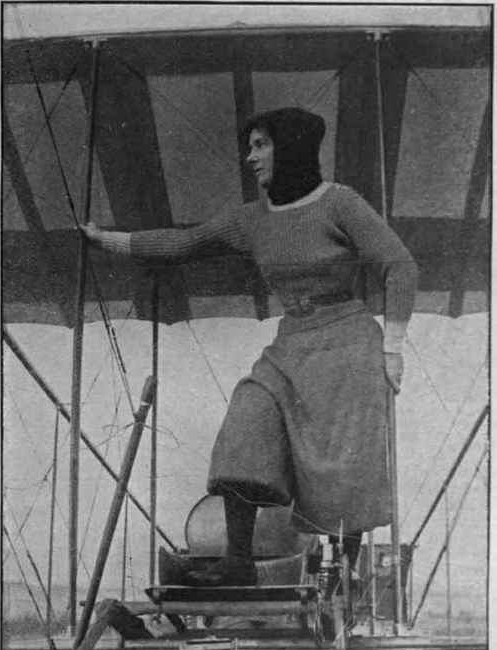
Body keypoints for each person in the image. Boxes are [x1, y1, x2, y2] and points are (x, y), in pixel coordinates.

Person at [81, 107, 417, 587]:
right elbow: (183, 244)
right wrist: (105, 240)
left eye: (260, 145)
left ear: (291, 146)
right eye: (250, 146)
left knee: (344, 464)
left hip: (348, 343)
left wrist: (394, 347)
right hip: (292, 343)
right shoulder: (251, 220)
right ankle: (237, 562)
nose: (250, 157)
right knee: (245, 422)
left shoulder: (341, 203)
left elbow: (401, 266)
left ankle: (342, 574)